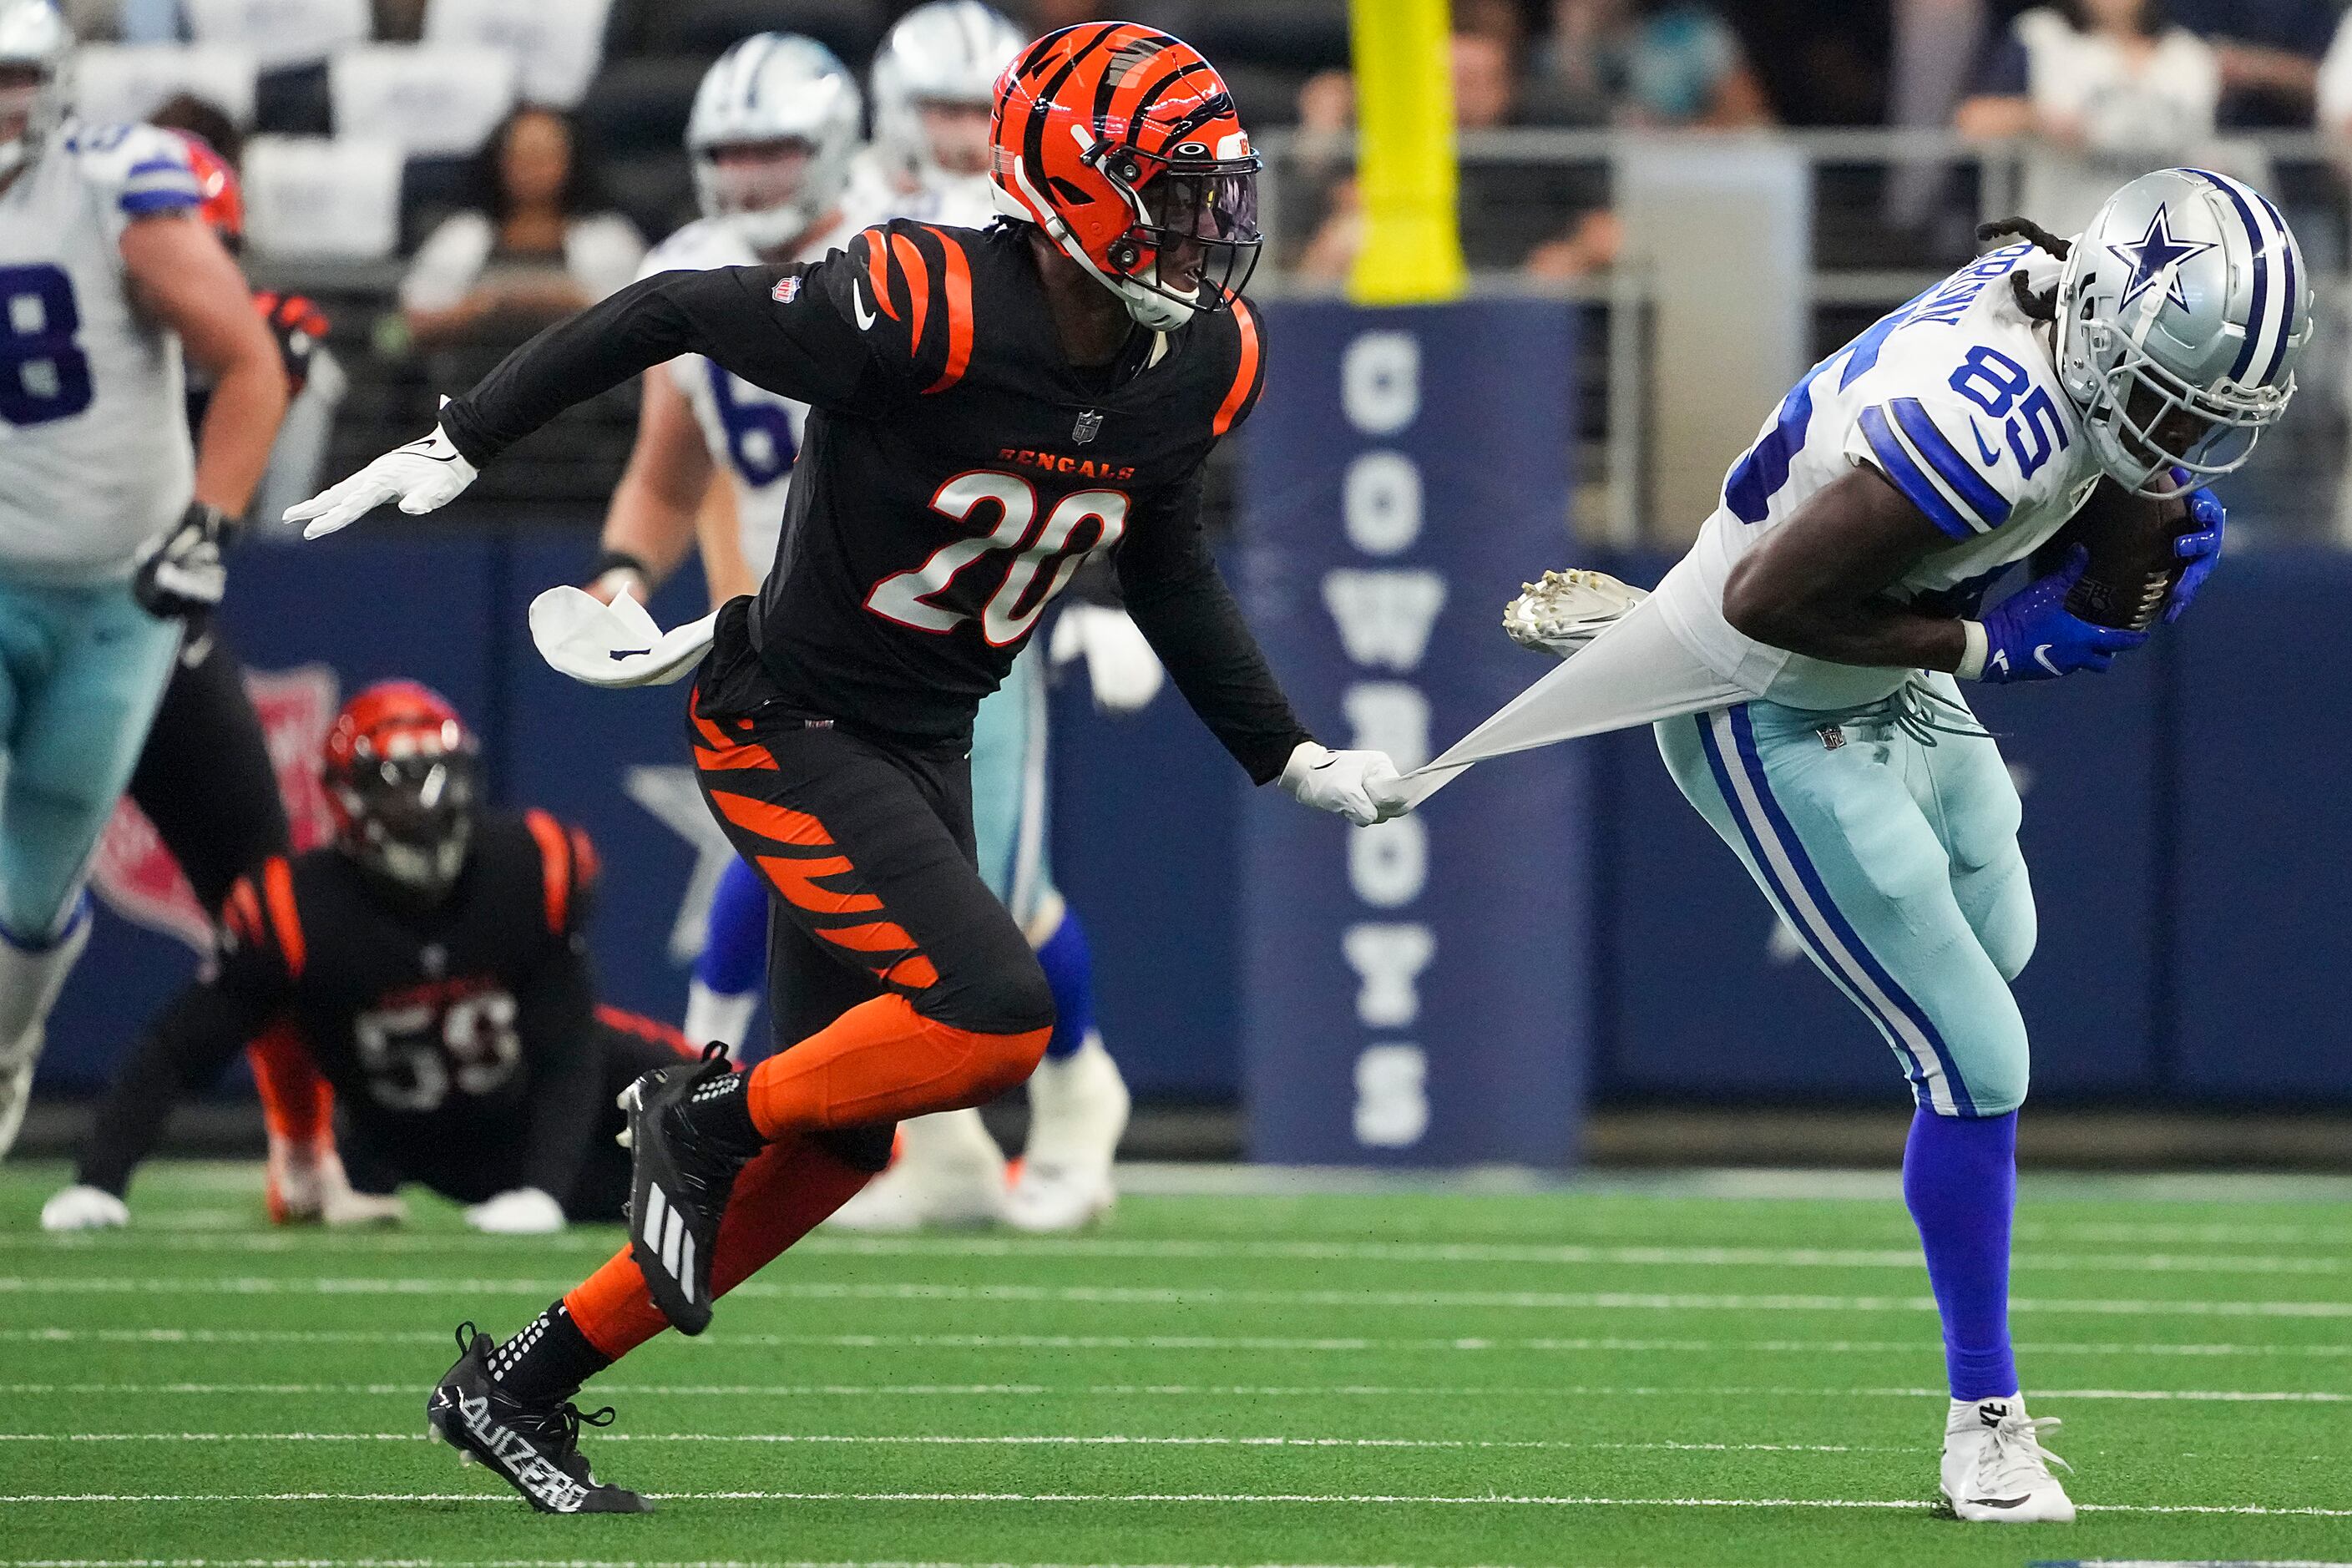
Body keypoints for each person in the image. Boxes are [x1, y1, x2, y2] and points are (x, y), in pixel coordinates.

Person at [286, 18, 1407, 1513]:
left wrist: (1287, 754)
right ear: (1072, 186)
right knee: (994, 1013)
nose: (1207, 230)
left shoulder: (1199, 357)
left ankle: (517, 1383)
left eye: (1216, 197)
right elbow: (676, 301)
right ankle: (698, 1107)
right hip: (783, 718)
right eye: (1173, 194)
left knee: (841, 1148)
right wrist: (467, 433)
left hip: (921, 738)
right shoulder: (923, 299)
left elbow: (1170, 568)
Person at [1428, 167, 2307, 1523]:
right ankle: (1985, 1422)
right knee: (1978, 1055)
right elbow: (1770, 597)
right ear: (2096, 331)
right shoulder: (1981, 421)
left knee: (2004, 929)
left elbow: (2111, 498)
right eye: (2172, 396)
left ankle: (1646, 626)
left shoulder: (2074, 322)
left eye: (2208, 411)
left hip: (1878, 664)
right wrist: (1988, 642)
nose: (2182, 430)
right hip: (1759, 692)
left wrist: (2136, 536)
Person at [40, 681, 698, 1233]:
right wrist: (100, 1181)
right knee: (674, 1203)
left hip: (548, 1086)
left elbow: (569, 1046)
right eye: (399, 788)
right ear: (348, 799)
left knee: (724, 1101)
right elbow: (177, 1048)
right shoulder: (300, 909)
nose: (424, 808)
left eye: (439, 783)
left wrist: (542, 1189)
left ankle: (803, 1138)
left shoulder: (524, 867)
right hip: (429, 1145)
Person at [0, 0, 289, 1156]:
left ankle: (7, 1055)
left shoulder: (115, 185)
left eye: (16, 80)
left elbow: (250, 362)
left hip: (114, 600)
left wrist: (207, 526)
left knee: (35, 876)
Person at [96, 119, 385, 1225]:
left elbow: (242, 398)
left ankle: (304, 1152)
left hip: (161, 636)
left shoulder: (254, 332)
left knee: (270, 902)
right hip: (41, 617)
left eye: (206, 240)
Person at [1956, 0, 2224, 232]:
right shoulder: (2042, 36)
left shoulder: (2191, 55)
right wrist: (2038, 118)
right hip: (2064, 242)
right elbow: (1971, 120)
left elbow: (2220, 149)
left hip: (2169, 241)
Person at [400, 106, 645, 350]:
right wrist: (482, 308)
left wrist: (570, 304)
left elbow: (638, 322)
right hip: (472, 377)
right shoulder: (461, 234)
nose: (532, 168)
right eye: (521, 156)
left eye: (544, 156)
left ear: (572, 159)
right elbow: (411, 323)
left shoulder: (610, 237)